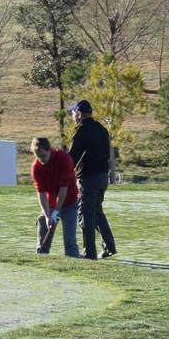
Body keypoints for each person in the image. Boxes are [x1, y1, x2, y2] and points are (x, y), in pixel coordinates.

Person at [67, 98, 116, 259]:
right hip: (103, 177)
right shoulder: (101, 129)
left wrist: (63, 172)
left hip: (88, 178)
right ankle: (109, 246)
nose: (73, 115)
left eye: (73, 112)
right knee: (97, 212)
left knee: (85, 216)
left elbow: (72, 156)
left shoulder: (81, 130)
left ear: (80, 114)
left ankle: (89, 252)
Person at [30, 136, 79, 257]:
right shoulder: (36, 167)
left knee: (69, 241)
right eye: (37, 156)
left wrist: (56, 212)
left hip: (69, 201)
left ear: (49, 150)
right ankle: (41, 259)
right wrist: (47, 216)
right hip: (50, 203)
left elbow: (64, 189)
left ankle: (74, 262)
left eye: (42, 155)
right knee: (43, 231)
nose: (40, 159)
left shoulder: (64, 159)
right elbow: (40, 193)